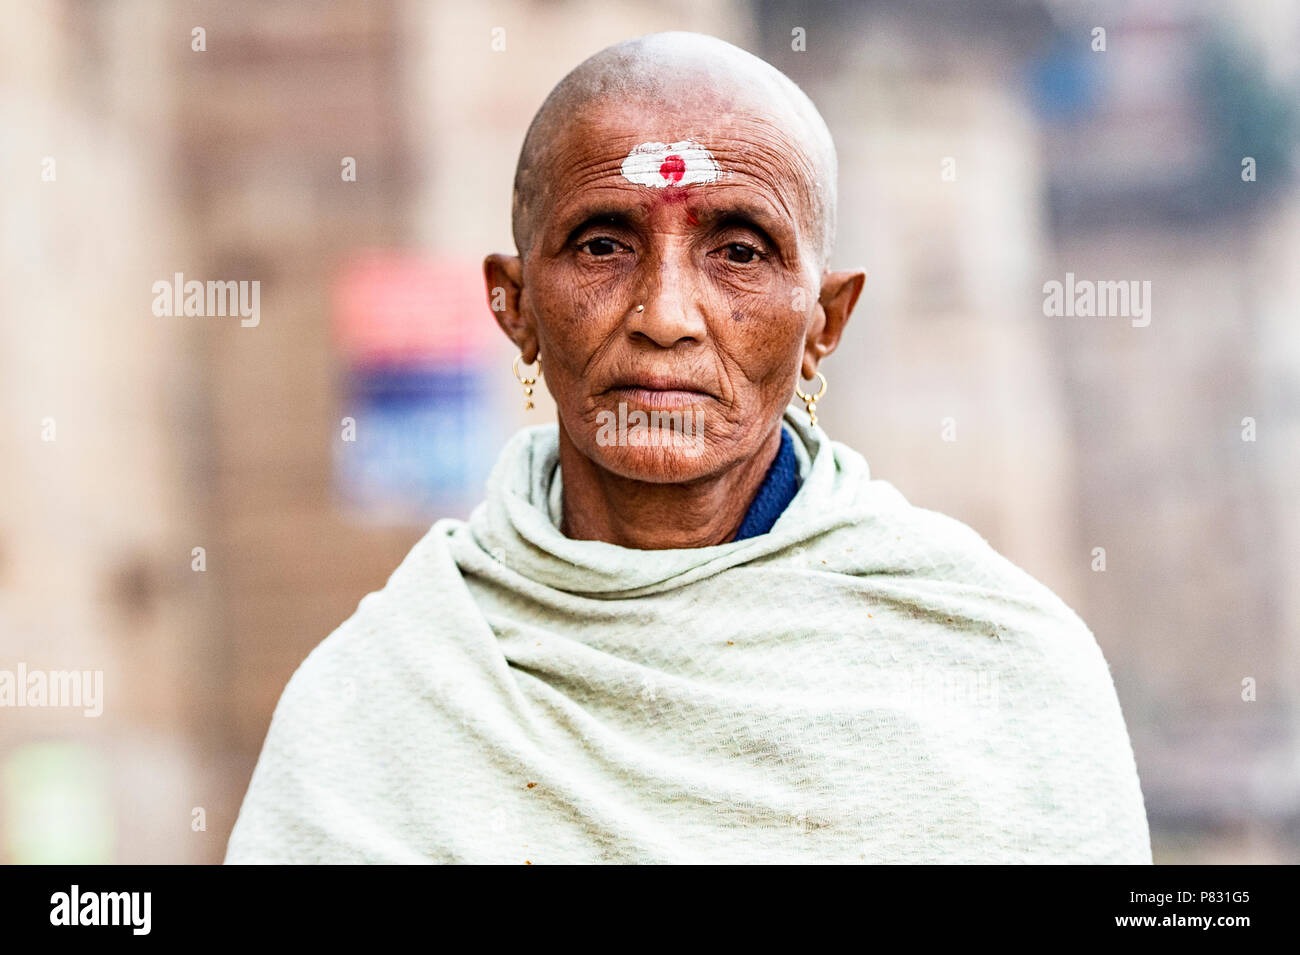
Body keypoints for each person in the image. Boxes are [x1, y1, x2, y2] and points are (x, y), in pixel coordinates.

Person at [225, 31, 1151, 864]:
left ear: (824, 321)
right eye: (601, 245)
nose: (665, 316)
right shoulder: (380, 692)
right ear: (514, 306)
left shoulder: (997, 665)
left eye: (740, 252)